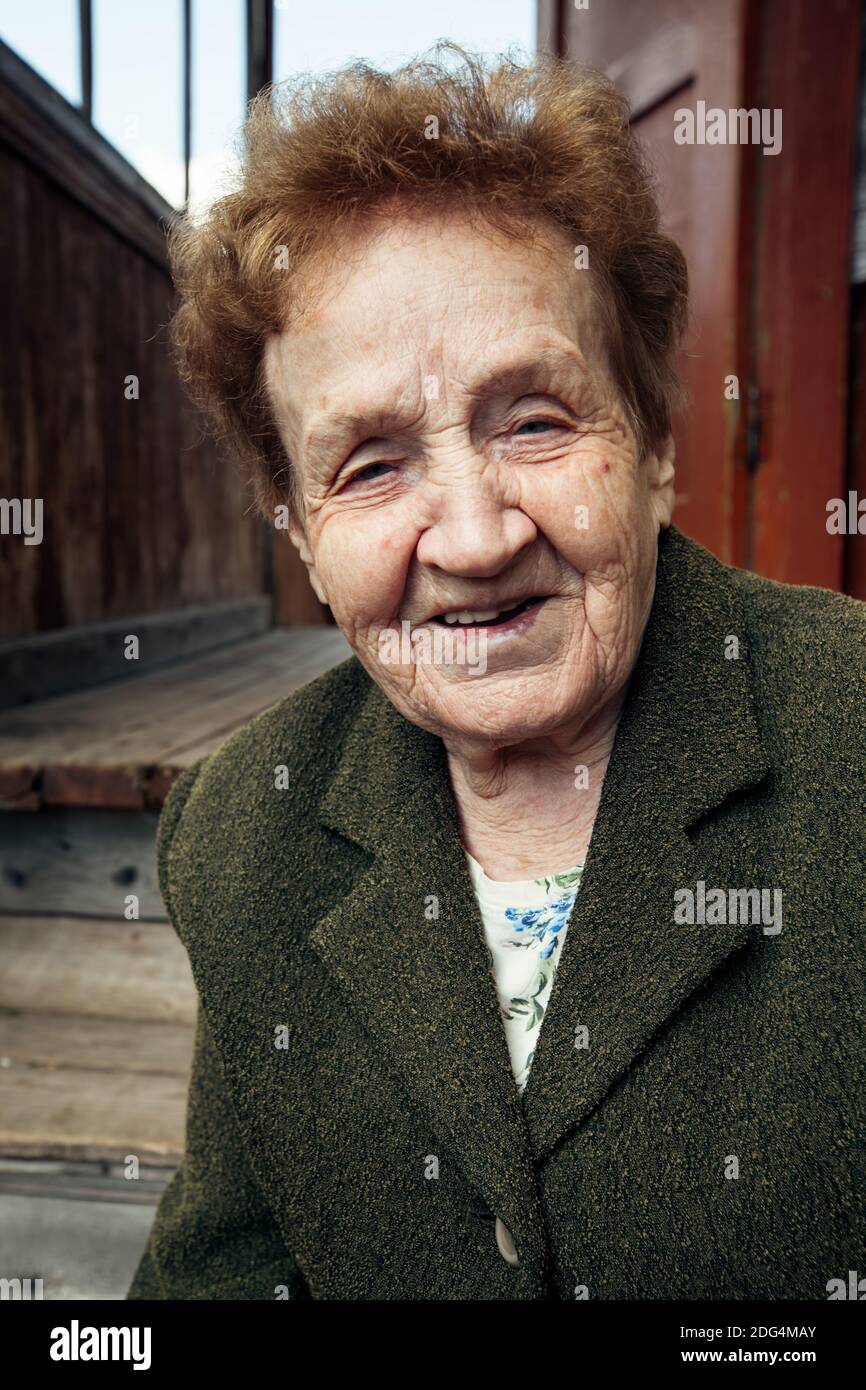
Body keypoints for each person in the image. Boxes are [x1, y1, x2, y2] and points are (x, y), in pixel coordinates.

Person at [127, 46, 865, 1300]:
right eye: (367, 464)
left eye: (531, 419)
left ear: (649, 448)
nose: (473, 539)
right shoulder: (243, 833)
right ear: (302, 535)